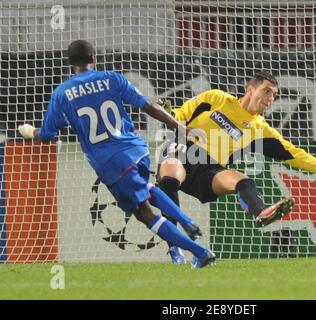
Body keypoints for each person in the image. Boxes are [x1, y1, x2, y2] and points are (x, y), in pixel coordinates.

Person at [17, 40, 215, 268]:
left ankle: (199, 251)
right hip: (137, 150)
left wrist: (30, 131)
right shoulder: (112, 78)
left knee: (143, 213)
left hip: (111, 163)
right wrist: (178, 126)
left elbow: (48, 135)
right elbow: (148, 105)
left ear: (70, 63)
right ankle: (186, 221)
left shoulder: (62, 94)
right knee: (146, 188)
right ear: (94, 58)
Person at [157, 71, 316, 264]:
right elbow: (181, 114)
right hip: (184, 151)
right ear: (250, 89)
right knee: (171, 179)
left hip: (210, 170)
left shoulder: (260, 129)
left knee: (243, 181)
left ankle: (262, 213)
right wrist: (169, 114)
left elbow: (294, 154)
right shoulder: (216, 98)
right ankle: (175, 245)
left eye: (274, 95)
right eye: (266, 91)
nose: (270, 99)